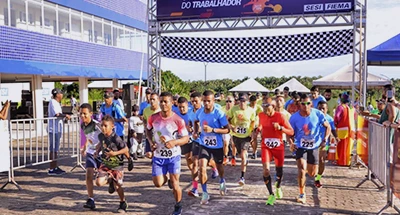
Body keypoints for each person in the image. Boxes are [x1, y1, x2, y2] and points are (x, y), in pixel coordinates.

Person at [146, 92, 189, 215]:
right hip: (159, 156)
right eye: (161, 101)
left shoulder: (178, 120)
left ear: (171, 103)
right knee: (158, 183)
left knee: (176, 184)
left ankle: (178, 205)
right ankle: (167, 178)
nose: (163, 104)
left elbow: (185, 138)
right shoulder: (153, 118)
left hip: (173, 156)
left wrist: (174, 142)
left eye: (166, 101)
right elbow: (148, 131)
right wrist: (151, 142)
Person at [289, 94, 331, 204]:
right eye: (303, 104)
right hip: (300, 146)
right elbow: (289, 133)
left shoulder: (318, 114)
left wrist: (325, 139)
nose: (305, 106)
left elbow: (328, 127)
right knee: (302, 169)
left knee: (312, 173)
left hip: (314, 146)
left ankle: (310, 169)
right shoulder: (294, 118)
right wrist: (291, 143)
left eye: (308, 103)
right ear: (300, 104)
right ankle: (302, 193)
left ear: (311, 104)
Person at [255, 97, 294, 205]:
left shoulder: (280, 116)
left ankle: (278, 186)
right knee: (266, 170)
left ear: (273, 106)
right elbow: (261, 125)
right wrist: (257, 130)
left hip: (278, 147)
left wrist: (281, 128)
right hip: (266, 146)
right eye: (263, 105)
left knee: (279, 171)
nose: (264, 108)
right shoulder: (261, 115)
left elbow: (291, 131)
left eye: (267, 106)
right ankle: (271, 194)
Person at [193, 90, 230, 204]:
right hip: (204, 144)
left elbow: (227, 129)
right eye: (204, 101)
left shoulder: (219, 113)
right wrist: (196, 132)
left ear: (213, 101)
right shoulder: (199, 112)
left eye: (209, 101)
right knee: (202, 167)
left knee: (220, 167)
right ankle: (204, 193)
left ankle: (222, 180)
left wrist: (213, 130)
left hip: (217, 145)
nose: (206, 104)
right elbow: (195, 121)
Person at [95, 115, 129, 212]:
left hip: (117, 165)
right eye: (102, 125)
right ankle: (110, 179)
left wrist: (128, 159)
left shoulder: (116, 138)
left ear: (112, 127)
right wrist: (97, 151)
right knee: (98, 182)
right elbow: (100, 143)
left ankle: (123, 202)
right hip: (105, 163)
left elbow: (126, 149)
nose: (103, 128)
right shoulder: (101, 136)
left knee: (117, 185)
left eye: (105, 126)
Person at [227, 93, 255, 186]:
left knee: (243, 155)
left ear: (247, 102)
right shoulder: (233, 109)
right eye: (240, 101)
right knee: (241, 155)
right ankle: (245, 160)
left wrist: (252, 132)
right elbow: (227, 120)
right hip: (236, 136)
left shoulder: (251, 111)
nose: (242, 103)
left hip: (246, 136)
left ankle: (242, 177)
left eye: (244, 101)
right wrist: (231, 126)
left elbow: (253, 121)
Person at [100, 92, 132, 170]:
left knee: (122, 147)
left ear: (112, 98)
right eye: (105, 98)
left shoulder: (116, 107)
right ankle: (111, 164)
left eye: (108, 98)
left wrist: (115, 120)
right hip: (108, 131)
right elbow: (102, 117)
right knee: (109, 147)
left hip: (118, 131)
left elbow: (124, 119)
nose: (106, 100)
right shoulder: (103, 107)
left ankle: (129, 159)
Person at [80, 103, 102, 210]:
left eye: (85, 114)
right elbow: (89, 137)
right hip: (90, 153)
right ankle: (91, 199)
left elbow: (106, 137)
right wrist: (84, 147)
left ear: (91, 114)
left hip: (101, 154)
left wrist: (99, 147)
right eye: (81, 114)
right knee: (88, 174)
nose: (83, 116)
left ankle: (112, 180)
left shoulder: (97, 125)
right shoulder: (82, 125)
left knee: (100, 181)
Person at [316, 101, 339, 188]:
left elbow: (332, 129)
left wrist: (336, 137)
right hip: (313, 142)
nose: (321, 110)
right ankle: (313, 173)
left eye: (323, 108)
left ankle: (318, 178)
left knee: (322, 160)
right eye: (320, 108)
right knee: (312, 161)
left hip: (324, 143)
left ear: (327, 109)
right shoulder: (313, 117)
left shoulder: (329, 119)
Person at [48, 88, 70, 176]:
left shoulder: (56, 103)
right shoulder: (52, 102)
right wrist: (66, 115)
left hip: (58, 129)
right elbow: (57, 114)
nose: (62, 95)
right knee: (53, 149)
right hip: (53, 129)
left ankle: (55, 166)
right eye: (61, 93)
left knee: (56, 149)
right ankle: (52, 168)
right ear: (57, 94)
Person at [187, 92, 203, 197]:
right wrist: (190, 128)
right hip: (196, 141)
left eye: (196, 101)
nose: (194, 103)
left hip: (207, 141)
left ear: (201, 100)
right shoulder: (190, 112)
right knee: (195, 162)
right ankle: (195, 188)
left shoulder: (205, 111)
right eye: (192, 101)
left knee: (209, 163)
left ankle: (215, 169)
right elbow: (189, 123)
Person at [334, 92, 355, 166]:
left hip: (341, 129)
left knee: (340, 146)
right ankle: (346, 161)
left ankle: (340, 161)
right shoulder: (348, 108)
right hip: (348, 129)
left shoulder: (340, 107)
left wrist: (335, 123)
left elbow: (337, 116)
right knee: (346, 146)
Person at [175, 97, 195, 172]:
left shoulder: (192, 112)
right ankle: (195, 174)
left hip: (194, 138)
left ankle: (213, 167)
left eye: (183, 107)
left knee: (194, 158)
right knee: (188, 158)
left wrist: (192, 129)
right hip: (183, 138)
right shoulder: (175, 114)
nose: (182, 109)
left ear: (187, 105)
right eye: (180, 107)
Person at [143, 93, 161, 158]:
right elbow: (144, 119)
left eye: (153, 99)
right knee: (149, 154)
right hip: (149, 134)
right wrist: (145, 127)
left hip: (159, 136)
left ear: (158, 100)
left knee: (157, 154)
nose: (152, 101)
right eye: (151, 99)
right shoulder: (146, 110)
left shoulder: (161, 110)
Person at [249, 95, 263, 159]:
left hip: (257, 124)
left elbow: (262, 117)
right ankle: (254, 151)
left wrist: (260, 125)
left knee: (254, 138)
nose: (253, 104)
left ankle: (254, 152)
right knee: (251, 140)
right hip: (249, 125)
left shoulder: (259, 108)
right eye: (252, 102)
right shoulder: (248, 107)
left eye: (254, 102)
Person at [222, 95, 234, 165]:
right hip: (226, 129)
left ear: (233, 102)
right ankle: (225, 157)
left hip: (233, 129)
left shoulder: (235, 109)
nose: (228, 103)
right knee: (225, 143)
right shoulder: (222, 109)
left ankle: (233, 157)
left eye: (230, 101)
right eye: (227, 101)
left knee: (233, 144)